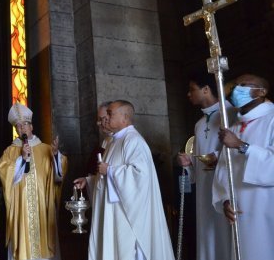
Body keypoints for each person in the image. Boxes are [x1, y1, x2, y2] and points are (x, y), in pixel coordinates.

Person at [74, 100, 174, 260]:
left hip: (126, 215)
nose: (106, 118)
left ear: (124, 117)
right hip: (112, 213)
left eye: (110, 114)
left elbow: (140, 176)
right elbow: (106, 177)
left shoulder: (133, 141)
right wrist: (90, 181)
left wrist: (111, 171)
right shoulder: (113, 142)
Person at [212, 74, 274, 260]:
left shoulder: (271, 120)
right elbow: (224, 168)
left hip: (265, 206)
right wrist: (224, 199)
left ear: (262, 92)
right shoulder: (234, 127)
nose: (237, 89)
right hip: (238, 208)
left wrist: (241, 146)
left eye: (244, 85)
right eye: (236, 85)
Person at [0, 103, 67, 260]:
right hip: (20, 205)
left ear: (32, 127)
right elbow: (3, 172)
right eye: (18, 126)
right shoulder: (11, 150)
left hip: (41, 204)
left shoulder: (45, 148)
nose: (22, 128)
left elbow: (58, 175)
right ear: (16, 130)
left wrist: (56, 156)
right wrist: (21, 159)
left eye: (25, 125)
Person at [177, 73, 233, 260]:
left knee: (226, 235)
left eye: (192, 89)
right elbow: (197, 161)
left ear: (206, 89)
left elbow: (237, 147)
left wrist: (216, 157)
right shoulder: (199, 124)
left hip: (225, 188)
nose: (188, 94)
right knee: (207, 232)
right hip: (204, 189)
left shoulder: (229, 114)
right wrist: (189, 162)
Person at [85, 102, 112, 176]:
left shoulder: (125, 140)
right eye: (99, 119)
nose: (98, 123)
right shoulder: (106, 140)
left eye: (102, 119)